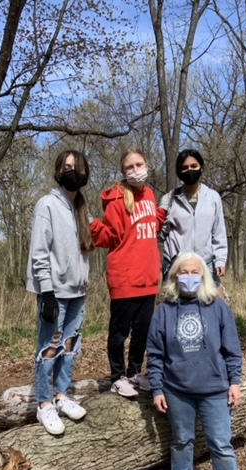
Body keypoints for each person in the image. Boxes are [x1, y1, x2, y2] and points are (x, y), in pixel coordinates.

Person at [146, 252, 246, 470]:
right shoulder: (164, 311)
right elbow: (155, 354)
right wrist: (157, 389)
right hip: (177, 389)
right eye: (183, 272)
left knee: (222, 446)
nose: (189, 277)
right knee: (181, 441)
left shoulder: (217, 307)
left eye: (194, 272)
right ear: (175, 276)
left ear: (203, 276)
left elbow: (232, 350)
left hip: (215, 389)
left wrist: (235, 382)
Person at [27, 150, 94, 436]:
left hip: (78, 291)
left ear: (84, 174)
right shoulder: (48, 205)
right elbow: (39, 252)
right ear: (58, 171)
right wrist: (47, 292)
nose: (71, 171)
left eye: (76, 167)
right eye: (66, 167)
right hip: (54, 292)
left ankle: (61, 396)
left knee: (70, 347)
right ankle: (44, 404)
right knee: (50, 348)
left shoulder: (81, 208)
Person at [90, 148, 166, 398]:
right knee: (119, 332)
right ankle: (117, 376)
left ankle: (134, 372)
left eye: (139, 164)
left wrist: (163, 212)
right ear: (123, 172)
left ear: (148, 164)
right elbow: (111, 236)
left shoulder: (151, 195)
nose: (135, 170)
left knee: (142, 331)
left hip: (148, 279)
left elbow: (152, 225)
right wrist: (91, 224)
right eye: (130, 167)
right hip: (124, 278)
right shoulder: (117, 199)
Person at [159, 149, 228, 294]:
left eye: (193, 166)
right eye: (184, 168)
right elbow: (160, 234)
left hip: (206, 263)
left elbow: (219, 231)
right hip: (177, 265)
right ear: (179, 171)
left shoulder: (213, 197)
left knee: (215, 304)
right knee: (176, 309)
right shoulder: (170, 198)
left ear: (201, 167)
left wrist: (220, 259)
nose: (189, 170)